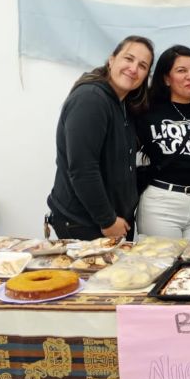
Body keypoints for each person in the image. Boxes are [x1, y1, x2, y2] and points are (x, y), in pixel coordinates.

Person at [47, 35, 154, 240]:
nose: (133, 68)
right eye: (128, 59)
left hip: (114, 222)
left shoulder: (124, 103)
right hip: (87, 224)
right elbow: (82, 169)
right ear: (112, 59)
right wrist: (107, 221)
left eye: (142, 65)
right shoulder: (91, 99)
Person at [135, 45, 190, 239]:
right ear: (166, 78)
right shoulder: (147, 110)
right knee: (162, 265)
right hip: (161, 203)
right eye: (181, 71)